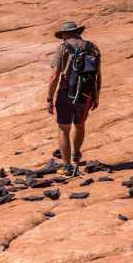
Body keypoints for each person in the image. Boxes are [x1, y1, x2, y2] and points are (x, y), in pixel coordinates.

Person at [46, 21, 102, 175]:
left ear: (64, 35)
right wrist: (96, 95)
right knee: (80, 124)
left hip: (65, 93)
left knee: (63, 129)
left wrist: (49, 98)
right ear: (77, 32)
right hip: (86, 94)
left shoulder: (63, 48)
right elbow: (97, 74)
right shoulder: (92, 48)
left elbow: (54, 76)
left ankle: (66, 166)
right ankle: (76, 155)